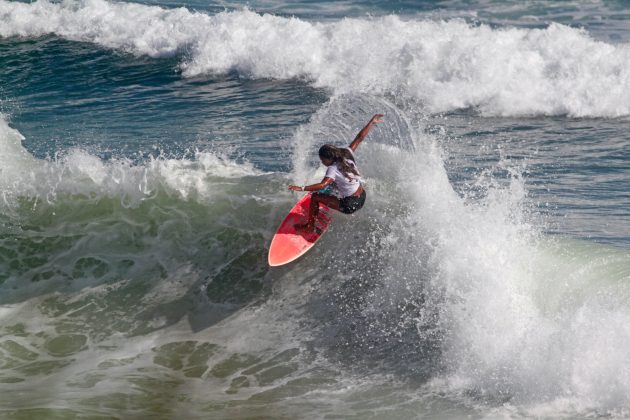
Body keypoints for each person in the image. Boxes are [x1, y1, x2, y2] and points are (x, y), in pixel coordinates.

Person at [288, 114, 384, 231]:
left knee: (315, 196)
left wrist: (301, 188)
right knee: (333, 184)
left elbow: (323, 184)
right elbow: (359, 138)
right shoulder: (346, 153)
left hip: (350, 205)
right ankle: (329, 196)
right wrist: (372, 122)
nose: (322, 162)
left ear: (328, 158)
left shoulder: (332, 169)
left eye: (322, 160)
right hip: (362, 197)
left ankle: (310, 226)